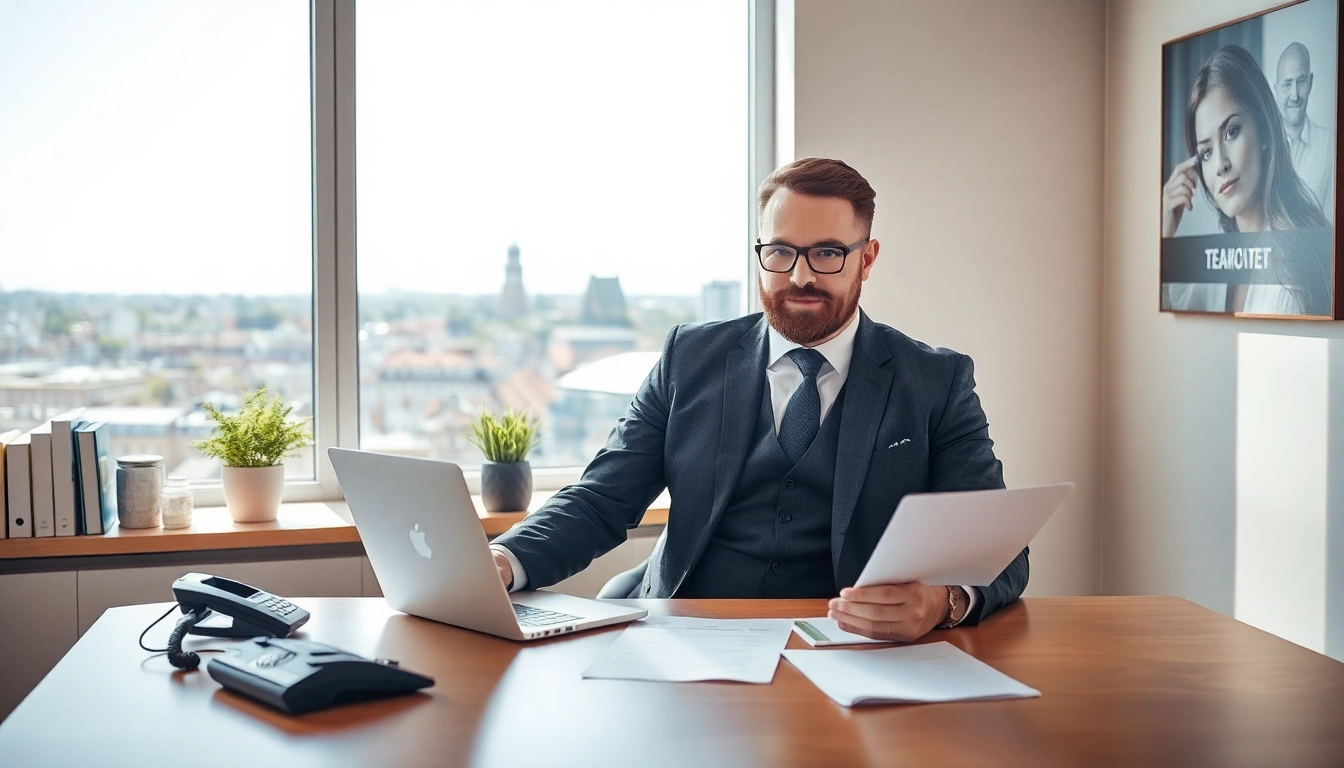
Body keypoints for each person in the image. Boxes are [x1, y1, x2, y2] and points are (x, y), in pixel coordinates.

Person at [488, 158, 1026, 641]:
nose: (800, 276)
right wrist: (503, 560)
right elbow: (601, 499)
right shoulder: (687, 358)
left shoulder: (936, 381)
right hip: (684, 637)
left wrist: (944, 602)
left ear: (867, 259)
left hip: (850, 647)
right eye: (781, 252)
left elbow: (999, 549)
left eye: (827, 253)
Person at [1160, 45, 1330, 315]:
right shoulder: (1217, 260)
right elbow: (1178, 329)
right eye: (1206, 152)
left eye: (1232, 132)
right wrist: (1165, 234)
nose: (1220, 165)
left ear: (1264, 131)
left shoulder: (1301, 261)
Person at [1276, 42, 1335, 217]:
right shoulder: (1261, 146)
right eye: (1287, 84)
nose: (1294, 95)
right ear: (1276, 90)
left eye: (1300, 82)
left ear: (1310, 83)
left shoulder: (1331, 145)